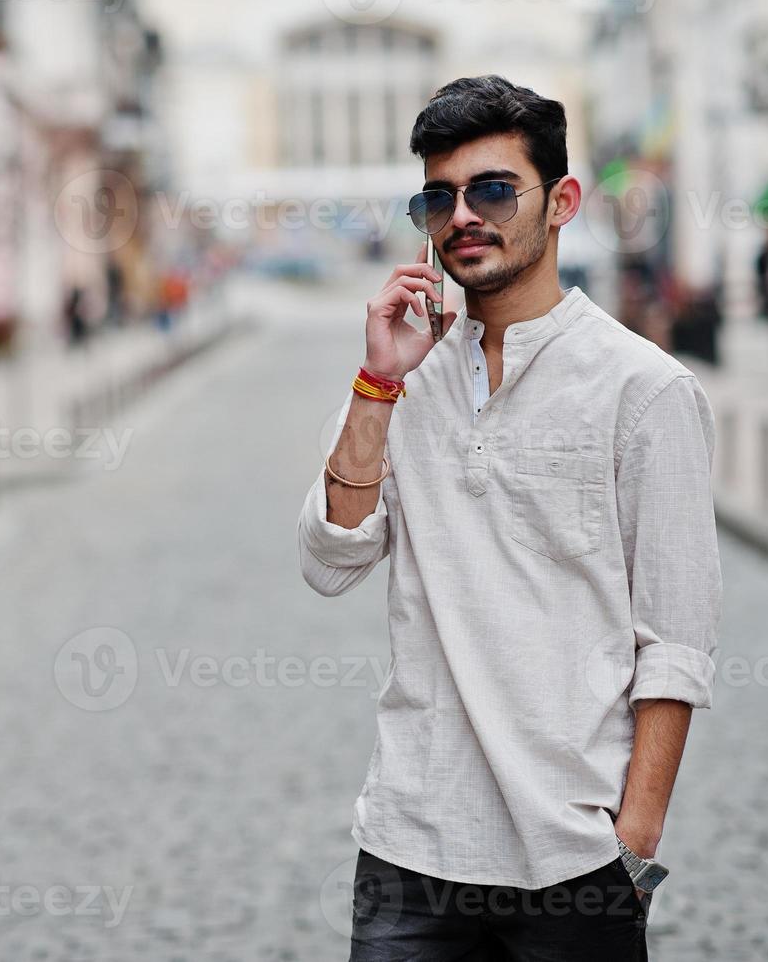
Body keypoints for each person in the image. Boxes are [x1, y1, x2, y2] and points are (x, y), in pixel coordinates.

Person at [298, 76, 722, 961]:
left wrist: (630, 853)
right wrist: (378, 381)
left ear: (560, 200)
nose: (463, 215)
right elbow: (330, 559)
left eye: (492, 189)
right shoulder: (404, 375)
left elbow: (675, 640)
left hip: (574, 868)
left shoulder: (642, 390)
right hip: (407, 850)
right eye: (438, 196)